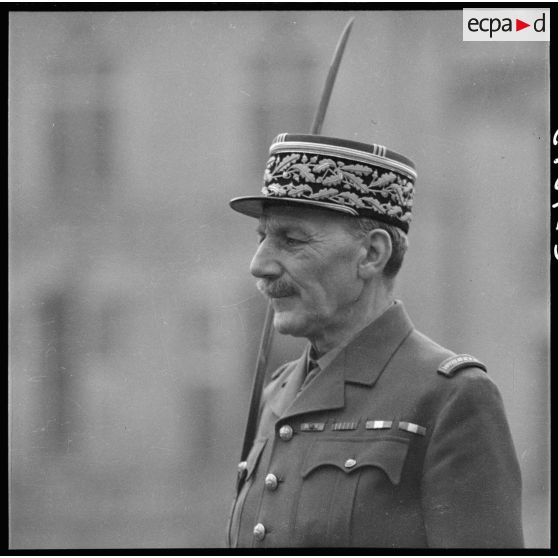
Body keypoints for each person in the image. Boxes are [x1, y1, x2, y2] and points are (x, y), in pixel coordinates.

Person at [226, 133, 524, 548]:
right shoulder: (278, 391)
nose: (259, 266)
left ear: (371, 255)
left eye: (291, 240)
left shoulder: (452, 398)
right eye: (262, 238)